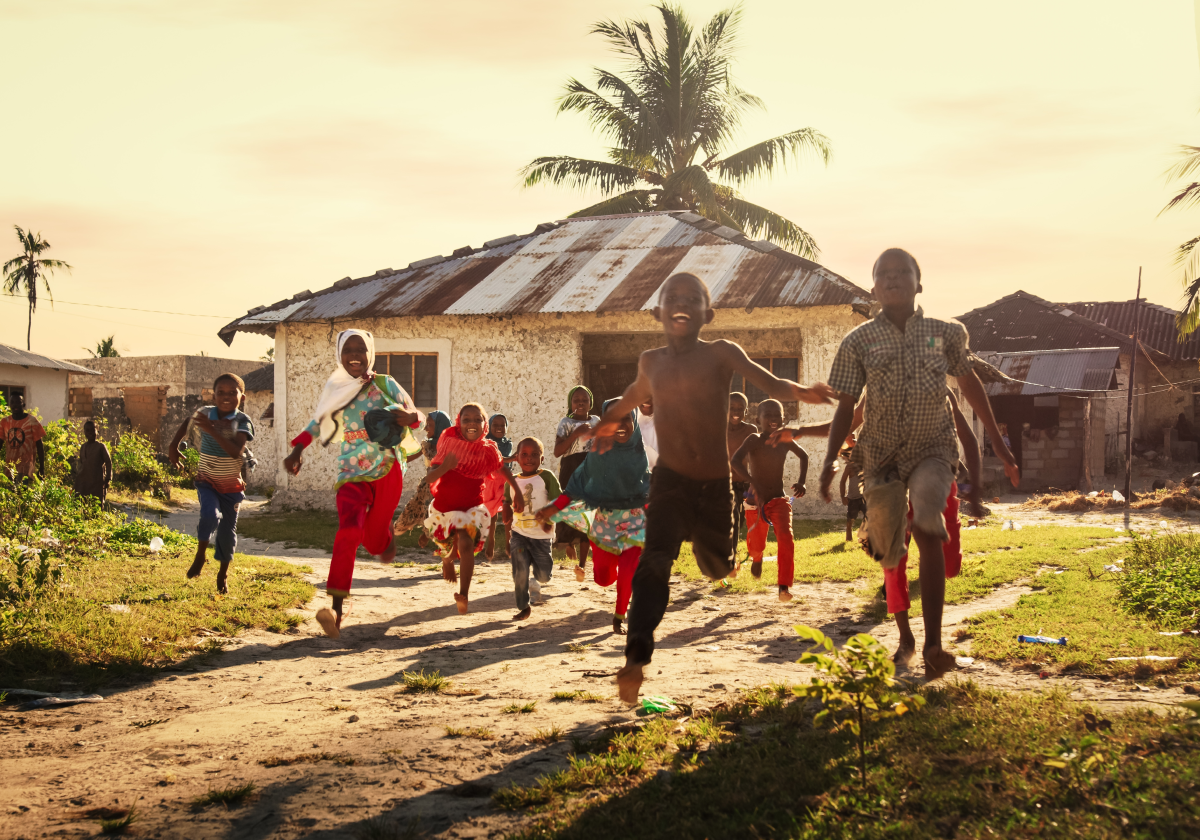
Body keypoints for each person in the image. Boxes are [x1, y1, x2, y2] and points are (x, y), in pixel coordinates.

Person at [590, 272, 834, 702]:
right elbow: (631, 395)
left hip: (715, 487)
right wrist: (609, 421)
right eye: (673, 297)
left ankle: (723, 560)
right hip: (669, 483)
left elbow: (771, 383)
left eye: (692, 299)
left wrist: (803, 392)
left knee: (716, 567)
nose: (682, 304)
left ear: (709, 314)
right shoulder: (651, 361)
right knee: (654, 561)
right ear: (658, 312)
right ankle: (635, 658)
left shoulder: (722, 352)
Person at [819, 248, 1019, 680]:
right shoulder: (858, 341)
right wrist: (830, 459)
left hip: (933, 449)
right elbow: (846, 406)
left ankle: (933, 644)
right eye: (883, 274)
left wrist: (999, 446)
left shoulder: (946, 333)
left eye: (902, 272)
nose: (893, 279)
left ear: (919, 283)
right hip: (880, 456)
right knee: (890, 552)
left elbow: (969, 383)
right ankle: (905, 637)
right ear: (873, 288)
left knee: (929, 522)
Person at [283, 330, 423, 638]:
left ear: (370, 353)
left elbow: (418, 415)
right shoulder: (336, 389)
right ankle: (336, 608)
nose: (355, 354)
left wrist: (409, 417)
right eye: (349, 349)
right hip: (351, 472)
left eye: (361, 348)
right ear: (339, 354)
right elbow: (318, 423)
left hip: (387, 468)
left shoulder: (385, 383)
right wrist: (297, 450)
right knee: (348, 532)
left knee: (373, 542)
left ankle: (384, 539)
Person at [538, 399, 651, 635]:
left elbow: (647, 489)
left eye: (626, 417)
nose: (619, 424)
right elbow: (575, 488)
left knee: (629, 568)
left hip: (635, 521)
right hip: (604, 524)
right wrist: (553, 509)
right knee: (604, 578)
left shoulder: (638, 452)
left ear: (634, 421)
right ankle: (616, 578)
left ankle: (620, 615)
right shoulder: (597, 456)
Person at [884, 390, 979, 667]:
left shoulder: (942, 391)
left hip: (940, 483)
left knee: (950, 566)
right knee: (893, 565)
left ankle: (931, 644)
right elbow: (854, 419)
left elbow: (968, 440)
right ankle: (910, 641)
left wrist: (974, 486)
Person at [424, 404, 524, 615]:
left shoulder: (488, 449)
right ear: (459, 423)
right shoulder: (449, 443)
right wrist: (445, 467)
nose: (472, 423)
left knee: (466, 543)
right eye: (466, 419)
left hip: (471, 509)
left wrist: (517, 491)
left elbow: (502, 469)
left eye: (477, 419)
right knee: (446, 547)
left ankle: (464, 594)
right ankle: (447, 560)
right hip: (444, 509)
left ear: (484, 424)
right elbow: (430, 477)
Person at [169, 373, 254, 595]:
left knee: (226, 533)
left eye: (232, 393)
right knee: (210, 515)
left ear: (242, 397)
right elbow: (188, 422)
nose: (226, 397)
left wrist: (211, 430)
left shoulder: (242, 422)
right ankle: (200, 554)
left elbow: (235, 451)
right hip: (207, 481)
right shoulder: (205, 414)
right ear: (213, 396)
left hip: (232, 488)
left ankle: (222, 574)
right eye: (220, 392)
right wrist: (173, 446)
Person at [730, 399, 808, 602]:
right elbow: (735, 461)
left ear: (783, 419)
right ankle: (757, 558)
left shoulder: (785, 440)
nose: (773, 419)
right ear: (758, 420)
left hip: (778, 500)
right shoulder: (753, 440)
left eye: (777, 416)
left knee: (786, 538)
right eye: (768, 415)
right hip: (755, 502)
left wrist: (801, 482)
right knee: (756, 545)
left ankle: (783, 586)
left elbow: (804, 456)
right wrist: (752, 482)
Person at [503, 436, 559, 621]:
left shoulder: (546, 477)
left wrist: (550, 518)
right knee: (519, 572)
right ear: (517, 458)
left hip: (541, 536)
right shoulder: (511, 481)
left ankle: (536, 580)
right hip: (519, 534)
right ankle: (523, 606)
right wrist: (506, 514)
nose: (529, 458)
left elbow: (559, 501)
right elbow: (506, 503)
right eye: (524, 454)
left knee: (544, 576)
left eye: (535, 454)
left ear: (542, 458)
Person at [554, 385, 599, 580]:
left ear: (590, 403)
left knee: (587, 514)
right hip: (570, 469)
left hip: (590, 469)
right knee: (570, 510)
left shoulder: (596, 421)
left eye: (584, 400)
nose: (580, 403)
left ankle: (582, 565)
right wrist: (575, 434)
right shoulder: (566, 423)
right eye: (576, 400)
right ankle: (568, 543)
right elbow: (557, 452)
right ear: (570, 404)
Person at [393, 410, 453, 544]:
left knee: (433, 516)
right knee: (410, 513)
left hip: (440, 490)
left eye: (429, 425)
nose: (426, 428)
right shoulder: (427, 444)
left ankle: (429, 537)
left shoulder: (450, 447)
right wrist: (394, 461)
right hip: (425, 489)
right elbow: (411, 456)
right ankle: (386, 537)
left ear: (439, 426)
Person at [726, 392, 758, 573]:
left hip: (745, 484)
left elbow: (756, 457)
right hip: (726, 484)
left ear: (746, 411)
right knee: (733, 519)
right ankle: (730, 561)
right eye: (732, 408)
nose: (736, 412)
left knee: (741, 522)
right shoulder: (719, 429)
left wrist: (755, 481)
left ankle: (730, 553)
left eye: (740, 409)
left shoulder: (750, 430)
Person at [484, 413, 515, 561]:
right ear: (489, 426)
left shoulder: (508, 444)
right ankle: (491, 541)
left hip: (505, 479)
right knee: (492, 513)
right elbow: (497, 460)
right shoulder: (486, 443)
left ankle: (508, 542)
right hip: (490, 479)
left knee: (508, 508)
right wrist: (513, 458)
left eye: (502, 425)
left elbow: (506, 463)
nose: (499, 428)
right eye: (495, 425)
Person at [1, 393, 45, 483]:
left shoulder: (32, 421)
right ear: (9, 405)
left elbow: (40, 445)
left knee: (22, 490)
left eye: (18, 402)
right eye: (12, 402)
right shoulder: (5, 422)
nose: (15, 405)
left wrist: (42, 468)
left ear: (23, 404)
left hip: (26, 468)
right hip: (10, 469)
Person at [74, 420, 112, 503]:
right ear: (84, 432)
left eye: (92, 430)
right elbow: (81, 464)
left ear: (97, 431)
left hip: (97, 481)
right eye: (87, 430)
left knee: (96, 503)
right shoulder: (83, 447)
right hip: (84, 482)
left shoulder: (101, 447)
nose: (90, 432)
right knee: (81, 502)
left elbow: (108, 462)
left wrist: (107, 479)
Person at [839, 439, 865, 542]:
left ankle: (865, 537)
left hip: (865, 497)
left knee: (869, 516)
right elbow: (842, 481)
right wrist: (843, 496)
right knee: (851, 518)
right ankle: (848, 536)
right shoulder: (849, 467)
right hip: (853, 498)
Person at [638, 396, 659, 468]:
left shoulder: (671, 423)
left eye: (651, 394)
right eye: (642, 394)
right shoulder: (629, 423)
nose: (646, 399)